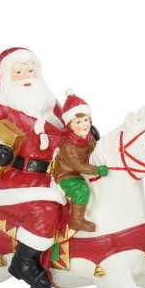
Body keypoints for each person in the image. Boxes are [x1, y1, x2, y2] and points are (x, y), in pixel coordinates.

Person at [0, 47, 65, 288]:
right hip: (15, 178)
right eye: (19, 72)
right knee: (46, 209)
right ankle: (24, 261)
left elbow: (68, 127)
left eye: (31, 71)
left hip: (52, 173)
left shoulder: (49, 104)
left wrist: (84, 133)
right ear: (6, 75)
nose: (26, 76)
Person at [52, 91, 108, 231]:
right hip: (68, 175)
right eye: (78, 122)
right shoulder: (68, 145)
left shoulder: (89, 137)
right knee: (81, 189)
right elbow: (78, 165)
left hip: (84, 171)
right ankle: (76, 221)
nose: (83, 125)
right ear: (69, 125)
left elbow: (94, 150)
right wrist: (96, 170)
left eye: (86, 120)